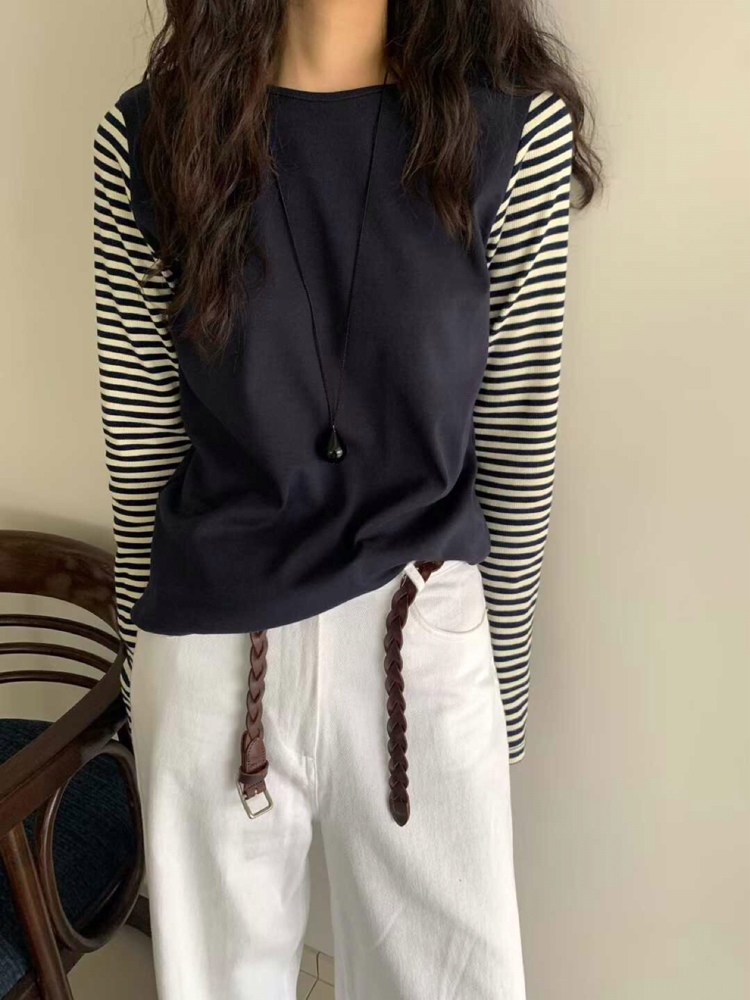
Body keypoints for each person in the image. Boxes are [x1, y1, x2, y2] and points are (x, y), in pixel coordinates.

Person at [93, 1, 600, 997]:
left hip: (423, 642)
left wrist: (500, 694)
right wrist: (132, 669)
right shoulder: (148, 136)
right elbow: (142, 444)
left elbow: (516, 440)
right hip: (211, 658)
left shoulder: (513, 134)